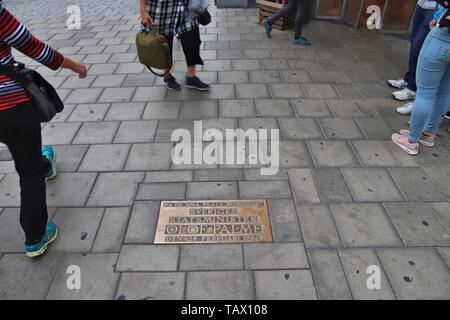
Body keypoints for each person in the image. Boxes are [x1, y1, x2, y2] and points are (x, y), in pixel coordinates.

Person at [0, 2, 87, 257]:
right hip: (10, 105)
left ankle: (42, 162)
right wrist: (73, 65)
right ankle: (36, 237)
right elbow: (31, 45)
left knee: (23, 149)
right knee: (29, 174)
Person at [392, 0, 449, 155]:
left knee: (425, 93)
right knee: (444, 92)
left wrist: (440, 16)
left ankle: (411, 140)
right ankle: (428, 135)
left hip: (443, 37)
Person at [139, 0, 209, 91]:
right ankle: (167, 75)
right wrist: (143, 11)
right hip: (162, 9)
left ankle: (191, 77)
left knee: (192, 42)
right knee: (164, 44)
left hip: (186, 8)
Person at [388, 0, 437, 115]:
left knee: (417, 46)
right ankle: (409, 79)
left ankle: (413, 89)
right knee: (414, 42)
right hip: (422, 4)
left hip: (435, 8)